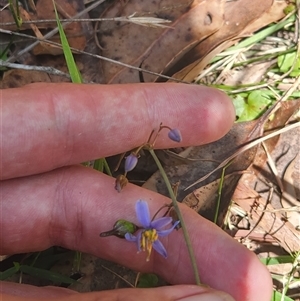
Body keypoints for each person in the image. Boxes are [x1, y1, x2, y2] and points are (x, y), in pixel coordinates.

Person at [0, 83, 272, 301]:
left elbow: (148, 231)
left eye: (149, 237)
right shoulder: (152, 226)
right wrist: (143, 231)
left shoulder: (152, 226)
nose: (149, 240)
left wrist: (145, 231)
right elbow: (145, 231)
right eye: (148, 237)